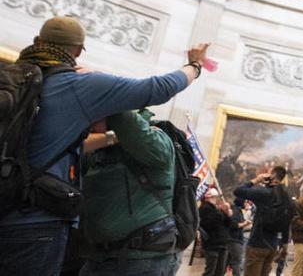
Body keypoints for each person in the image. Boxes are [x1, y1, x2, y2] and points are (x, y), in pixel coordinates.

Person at [0, 16, 209, 276]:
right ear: (77, 51)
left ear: (38, 41)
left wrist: (112, 130)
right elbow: (159, 88)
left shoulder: (14, 77)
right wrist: (194, 66)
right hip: (38, 225)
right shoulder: (78, 86)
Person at [77, 109, 182, 275]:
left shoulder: (157, 140)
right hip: (100, 257)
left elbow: (126, 122)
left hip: (142, 259)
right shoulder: (101, 150)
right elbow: (74, 147)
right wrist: (110, 138)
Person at [234, 166, 293, 276]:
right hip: (272, 246)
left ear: (273, 175)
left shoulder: (264, 192)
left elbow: (238, 191)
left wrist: (257, 179)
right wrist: (284, 245)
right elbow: (287, 221)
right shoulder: (287, 197)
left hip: (257, 243)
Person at [199, 188, 232, 276]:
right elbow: (209, 224)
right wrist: (220, 211)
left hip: (222, 243)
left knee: (220, 271)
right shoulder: (204, 208)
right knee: (210, 271)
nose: (217, 199)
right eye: (215, 197)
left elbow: (228, 224)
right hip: (212, 244)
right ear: (209, 197)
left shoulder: (217, 210)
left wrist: (227, 214)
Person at [227, 197, 251, 276]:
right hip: (235, 240)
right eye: (244, 202)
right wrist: (245, 223)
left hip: (235, 239)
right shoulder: (235, 211)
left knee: (229, 262)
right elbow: (233, 225)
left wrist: (245, 223)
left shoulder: (238, 210)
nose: (245, 203)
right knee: (237, 262)